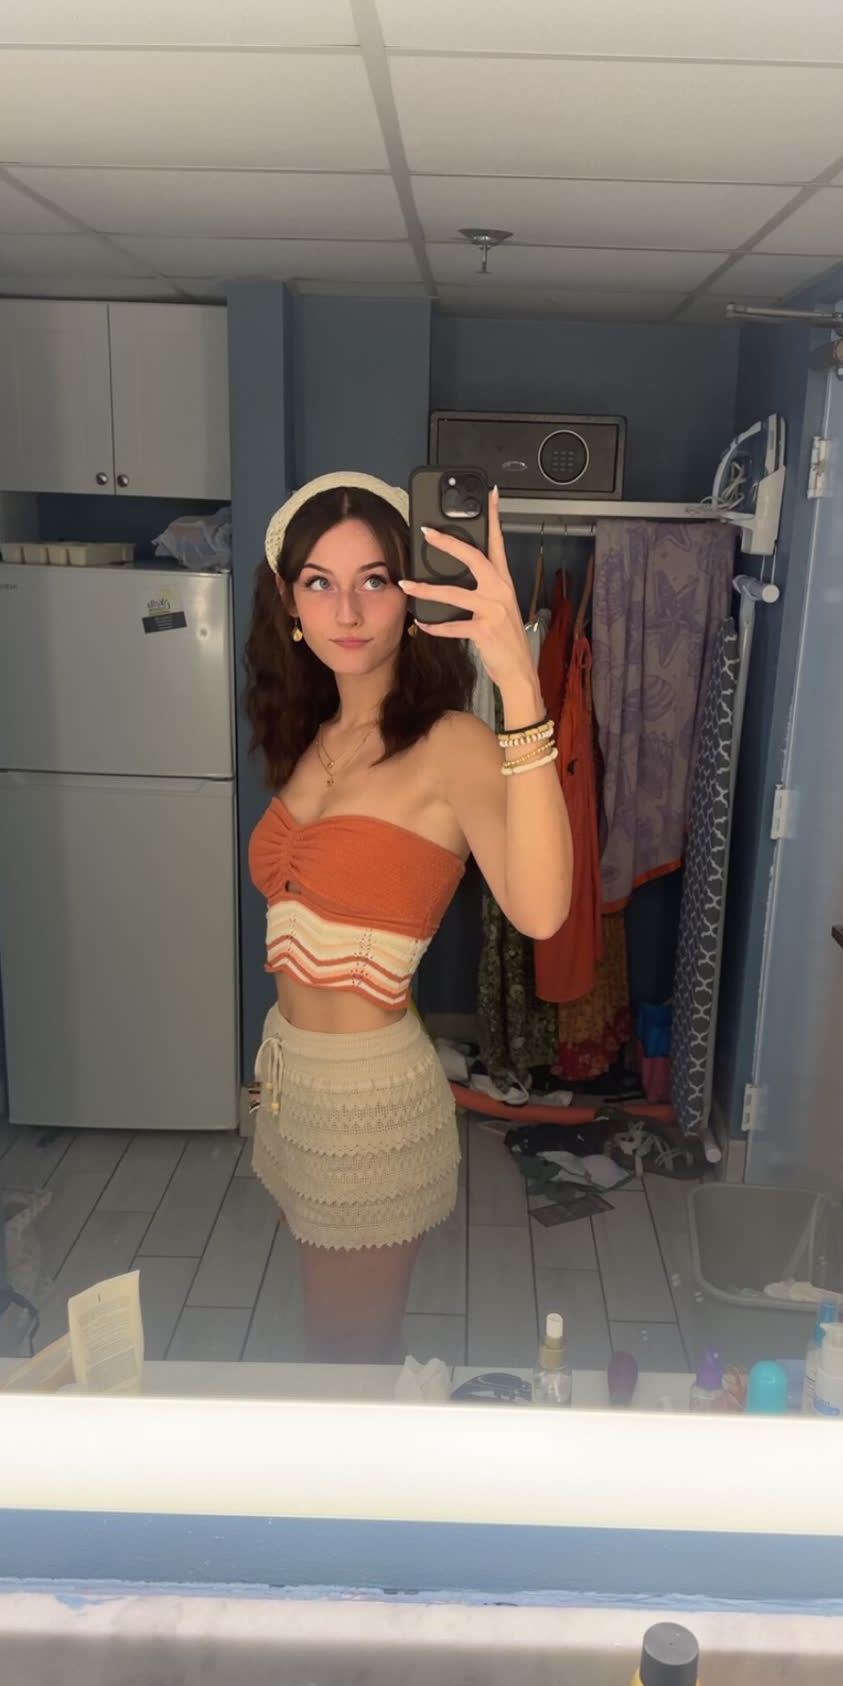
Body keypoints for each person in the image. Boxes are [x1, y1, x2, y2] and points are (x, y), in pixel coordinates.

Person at [244, 470, 573, 1364]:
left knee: (348, 1352)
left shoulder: (450, 744)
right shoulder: (313, 737)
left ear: (410, 595)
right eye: (320, 581)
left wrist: (517, 683)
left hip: (368, 1103)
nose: (348, 609)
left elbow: (542, 911)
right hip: (289, 1078)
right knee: (326, 1338)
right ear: (289, 602)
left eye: (375, 580)